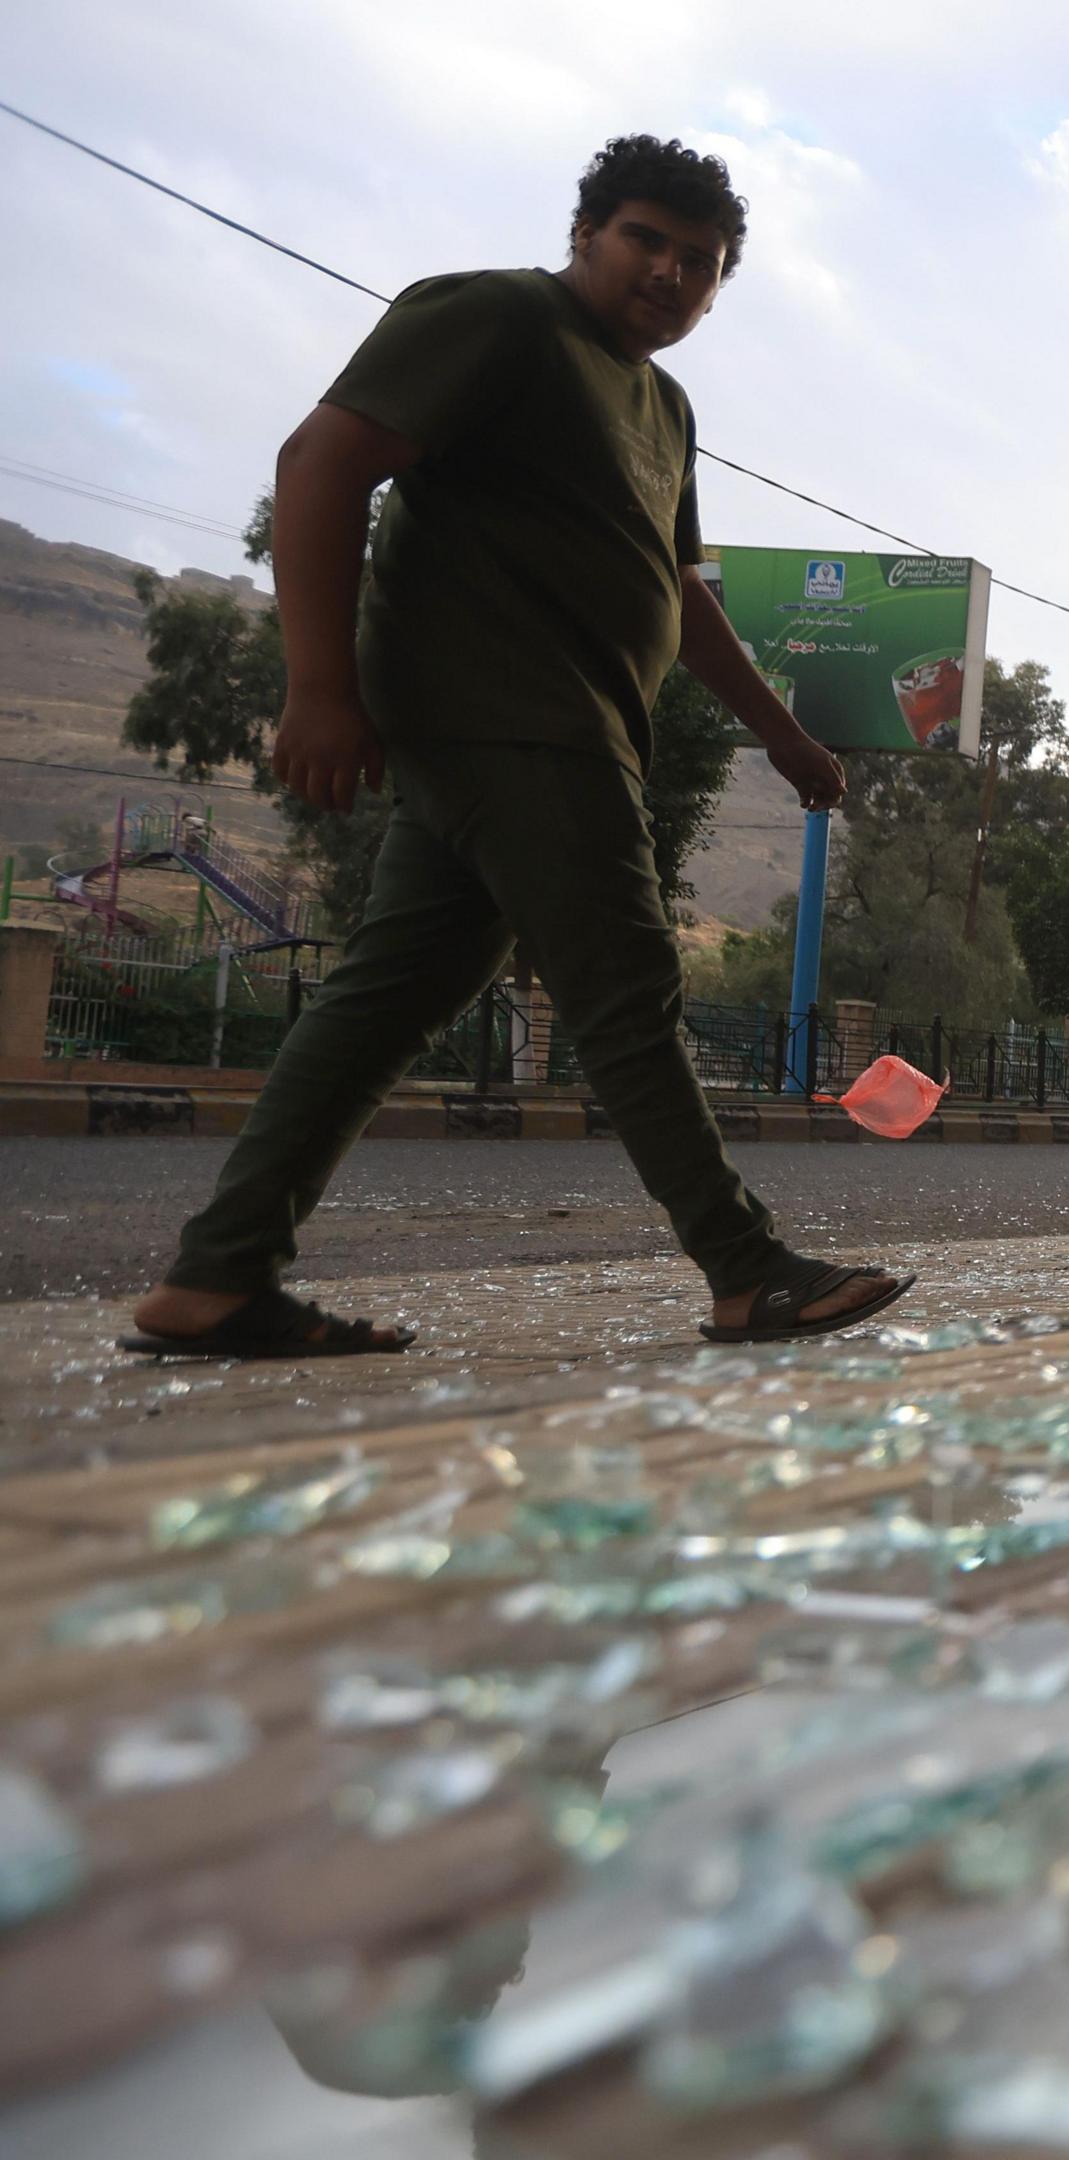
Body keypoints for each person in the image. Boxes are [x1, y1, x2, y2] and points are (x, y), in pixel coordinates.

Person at [120, 137, 911, 1359]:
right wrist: (318, 686)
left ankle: (217, 1277)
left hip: (568, 723)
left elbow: (679, 591)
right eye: (645, 238)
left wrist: (783, 732)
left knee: (389, 1002)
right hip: (505, 709)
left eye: (698, 262)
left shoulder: (663, 405)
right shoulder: (496, 318)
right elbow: (318, 462)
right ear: (587, 232)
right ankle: (747, 1269)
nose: (668, 271)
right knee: (628, 983)